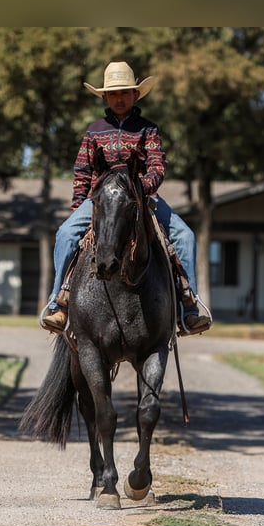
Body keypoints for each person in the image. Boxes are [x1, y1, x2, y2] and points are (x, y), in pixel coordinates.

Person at [41, 61, 211, 335]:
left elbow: (158, 166)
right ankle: (59, 304)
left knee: (185, 236)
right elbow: (82, 170)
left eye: (125, 93)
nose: (119, 98)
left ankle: (188, 308)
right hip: (100, 199)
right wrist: (78, 207)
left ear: (135, 95)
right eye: (114, 93)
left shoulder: (148, 129)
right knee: (65, 234)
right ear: (105, 97)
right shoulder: (94, 131)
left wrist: (140, 189)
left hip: (141, 197)